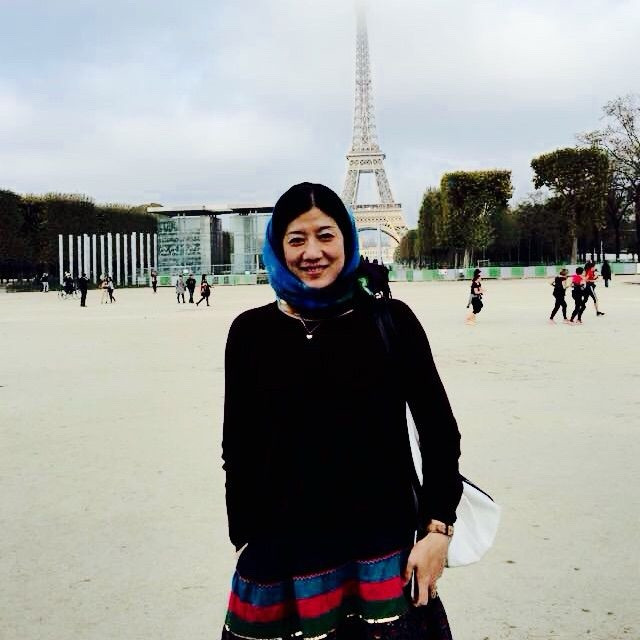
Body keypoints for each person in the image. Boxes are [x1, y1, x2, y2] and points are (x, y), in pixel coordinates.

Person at [221, 182, 462, 640]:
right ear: (278, 247)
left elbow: (439, 431)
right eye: (296, 239)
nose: (312, 252)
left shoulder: (392, 321)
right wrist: (245, 537)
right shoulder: (250, 332)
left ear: (347, 239)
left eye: (326, 235)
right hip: (281, 556)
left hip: (380, 550)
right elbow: (238, 446)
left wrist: (438, 531)